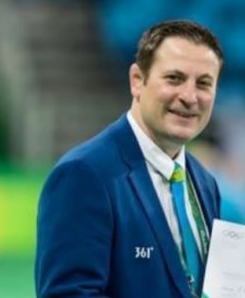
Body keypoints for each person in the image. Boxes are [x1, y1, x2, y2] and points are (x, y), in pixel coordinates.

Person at [35, 20, 224, 297]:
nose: (189, 96)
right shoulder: (83, 175)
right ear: (137, 80)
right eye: (174, 78)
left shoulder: (204, 183)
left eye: (204, 83)